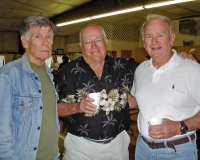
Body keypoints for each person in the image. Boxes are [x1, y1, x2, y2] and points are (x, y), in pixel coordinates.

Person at [56, 24, 138, 160]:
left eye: (98, 40)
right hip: (80, 147)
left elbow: (155, 70)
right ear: (81, 45)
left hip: (117, 146)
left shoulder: (125, 67)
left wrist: (182, 58)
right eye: (88, 42)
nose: (94, 46)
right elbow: (54, 109)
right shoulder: (67, 72)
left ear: (106, 42)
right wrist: (77, 107)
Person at [129, 14, 200, 160]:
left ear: (172, 38)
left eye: (160, 35)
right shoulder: (141, 69)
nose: (154, 41)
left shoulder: (192, 70)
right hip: (142, 149)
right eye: (149, 36)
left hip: (178, 151)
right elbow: (136, 101)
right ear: (144, 41)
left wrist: (178, 127)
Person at [0, 16, 60, 160]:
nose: (46, 42)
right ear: (24, 41)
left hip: (53, 155)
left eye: (49, 37)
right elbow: (2, 133)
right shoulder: (9, 75)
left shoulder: (49, 74)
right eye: (38, 37)